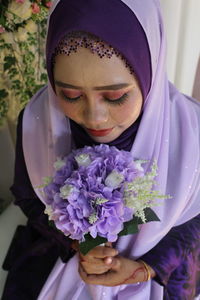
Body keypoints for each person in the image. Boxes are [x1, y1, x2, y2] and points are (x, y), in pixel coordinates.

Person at [2, 0, 200, 299]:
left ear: (151, 73)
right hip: (56, 267)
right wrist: (77, 242)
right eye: (69, 94)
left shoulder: (192, 131)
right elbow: (28, 197)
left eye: (116, 96)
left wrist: (144, 268)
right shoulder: (37, 119)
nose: (94, 117)